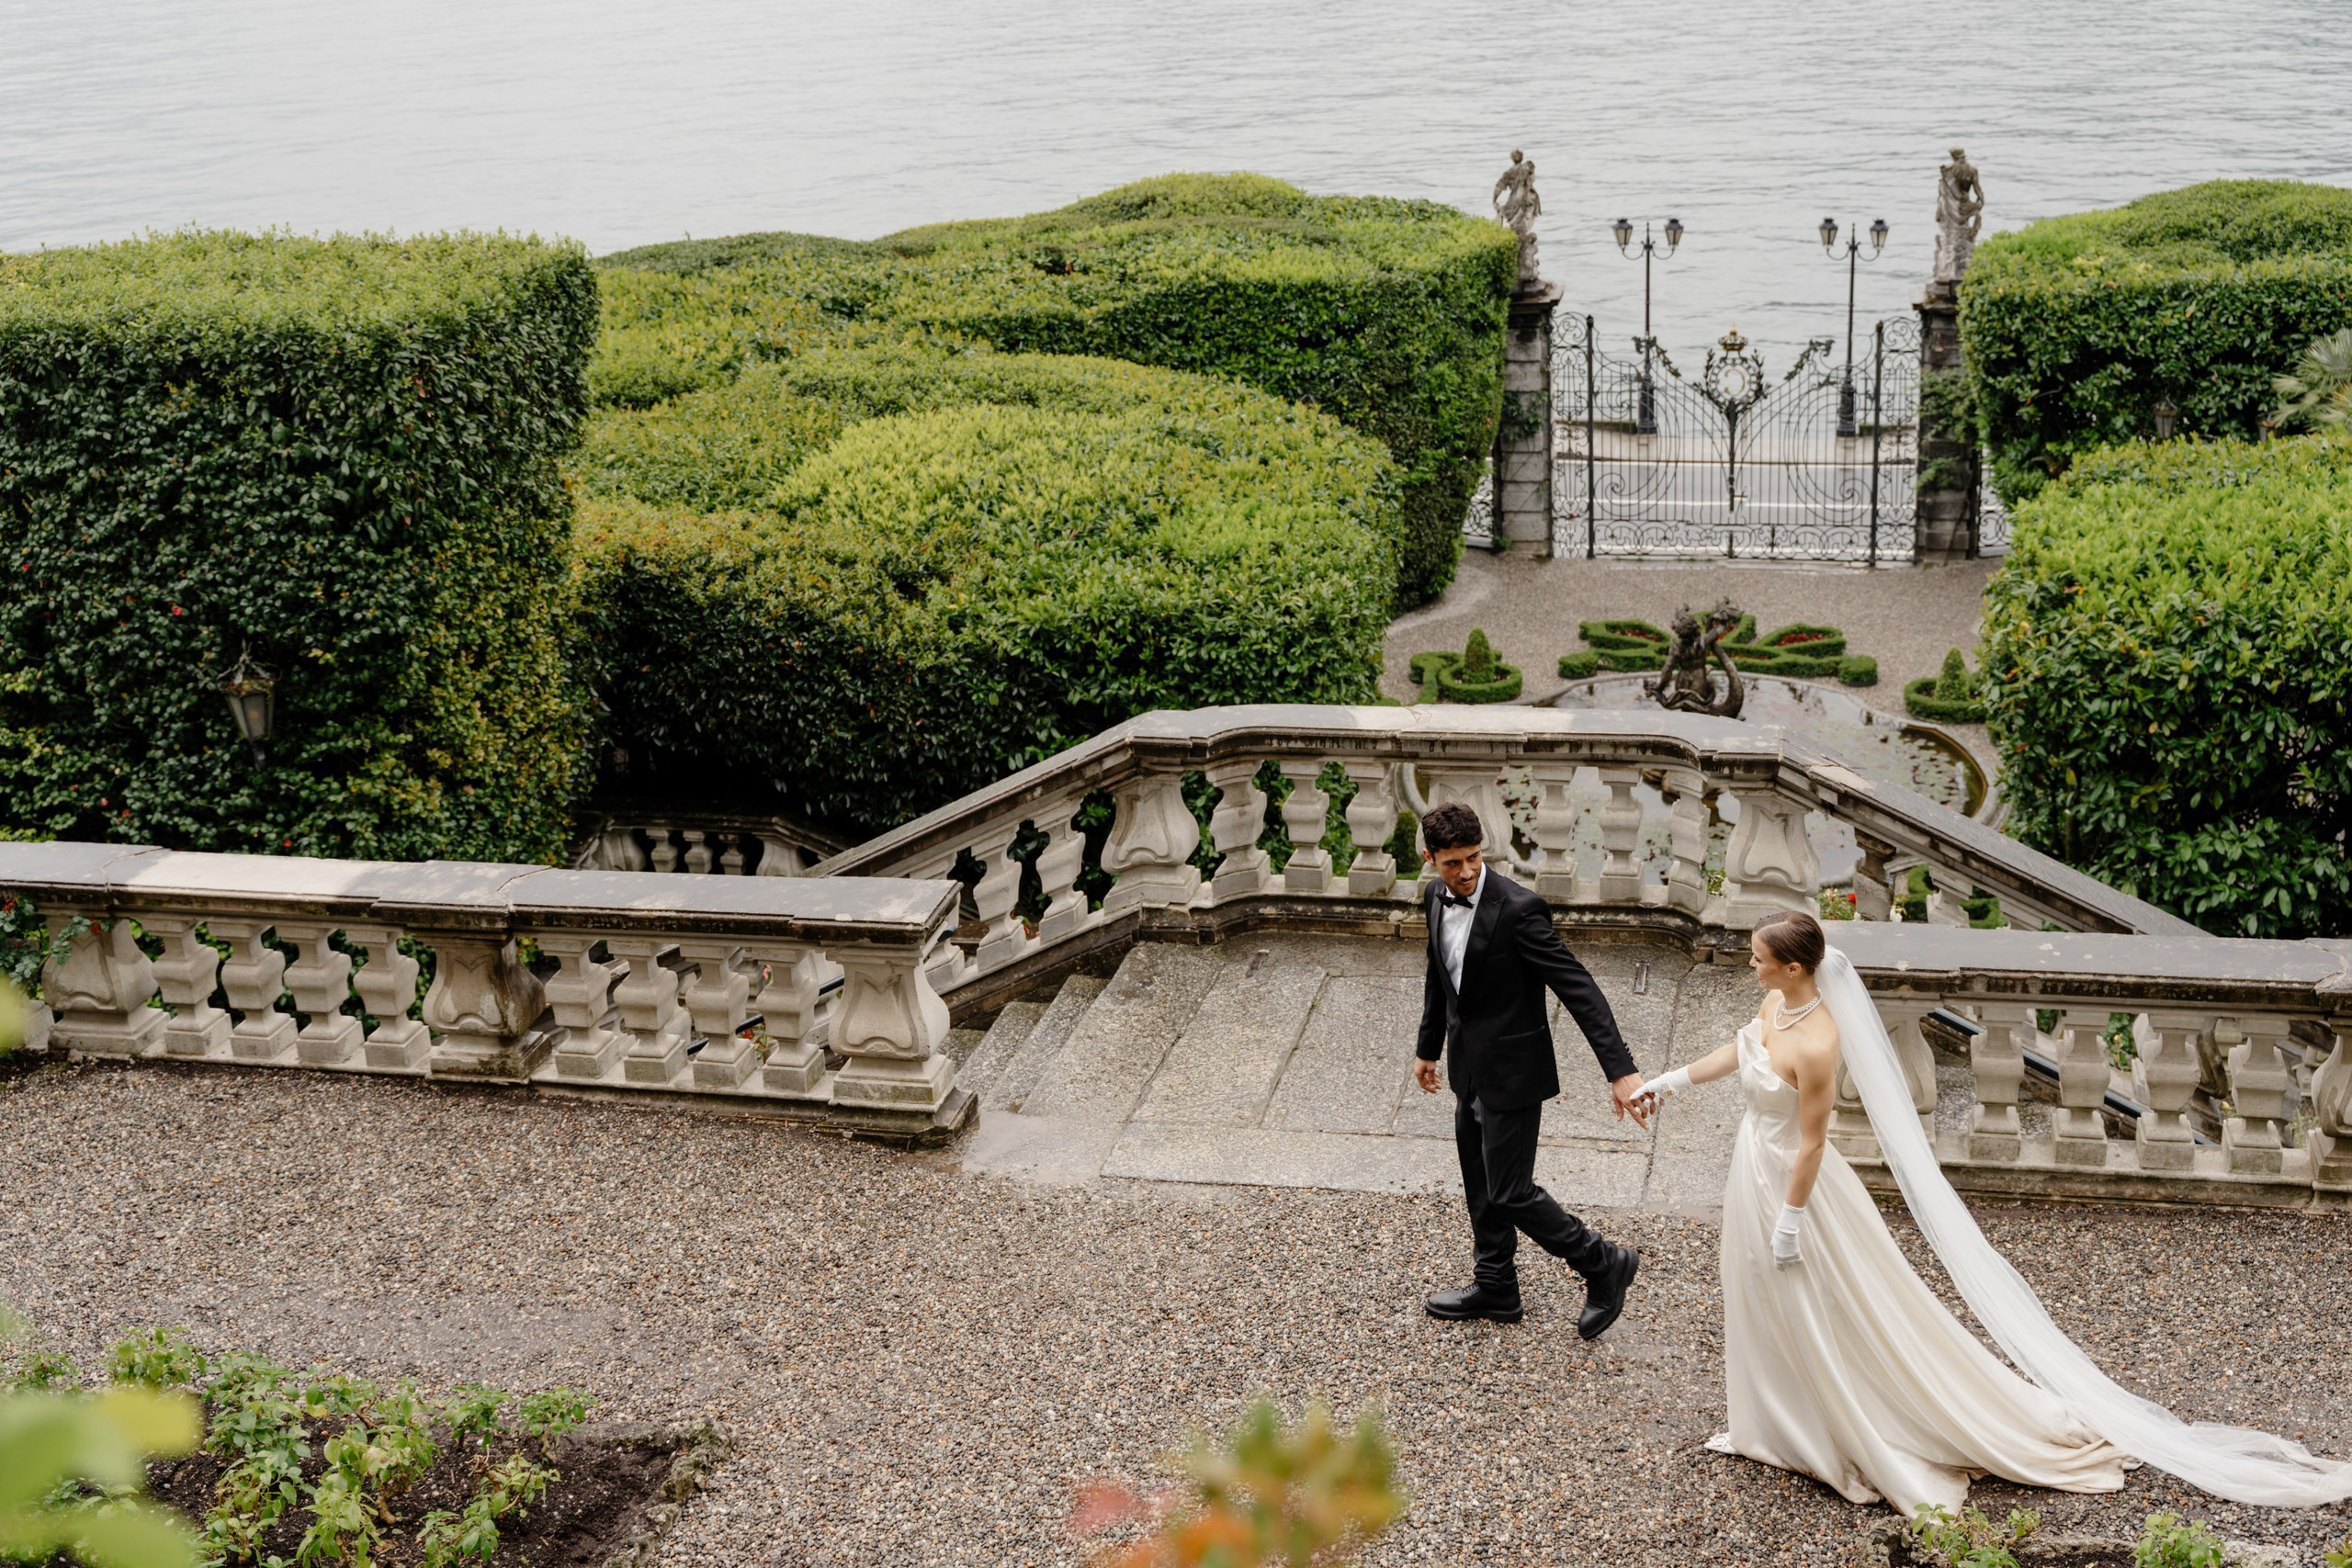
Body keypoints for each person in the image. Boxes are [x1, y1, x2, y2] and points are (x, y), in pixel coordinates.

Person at [1635, 909, 2352, 1514]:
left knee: (1815, 1302)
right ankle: (1769, 1421)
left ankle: (1833, 1428)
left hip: (1796, 1181)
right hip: (1751, 1162)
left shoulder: (1821, 1041)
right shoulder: (1774, 1004)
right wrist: (1667, 1083)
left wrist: (1791, 1218)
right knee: (1754, 1291)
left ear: (1794, 968)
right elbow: (1738, 1052)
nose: (1750, 966)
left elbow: (1816, 1139)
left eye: (1759, 959)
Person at [1411, 801, 1647, 1337]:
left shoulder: (1519, 910)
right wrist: (1428, 1047)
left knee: (1511, 1190)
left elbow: (1579, 989)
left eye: (1474, 858)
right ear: (1430, 858)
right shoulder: (1432, 897)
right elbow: (1439, 976)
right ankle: (1496, 1284)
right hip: (1467, 1067)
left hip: (1516, 1072)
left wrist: (1620, 1071)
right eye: (1453, 864)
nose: (1467, 872)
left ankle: (1603, 1262)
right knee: (1480, 1180)